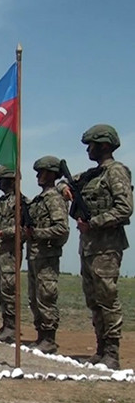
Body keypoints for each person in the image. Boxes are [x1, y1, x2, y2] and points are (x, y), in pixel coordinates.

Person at [62, 124, 132, 369]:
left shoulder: (116, 172)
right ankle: (101, 348)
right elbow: (65, 184)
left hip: (106, 246)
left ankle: (112, 352)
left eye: (91, 145)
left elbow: (125, 208)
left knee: (107, 298)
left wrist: (94, 223)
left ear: (103, 145)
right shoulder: (92, 174)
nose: (87, 150)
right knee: (93, 299)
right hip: (89, 247)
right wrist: (66, 190)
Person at [24, 156, 69, 354]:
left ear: (51, 174)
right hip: (34, 256)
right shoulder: (39, 199)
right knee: (35, 299)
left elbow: (62, 229)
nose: (37, 176)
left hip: (47, 256)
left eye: (41, 172)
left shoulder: (53, 198)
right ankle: (41, 336)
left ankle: (49, 339)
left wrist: (36, 234)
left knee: (46, 297)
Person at [0, 166, 26, 343]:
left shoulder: (21, 201)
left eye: (1, 179)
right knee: (0, 289)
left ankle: (12, 327)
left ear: (10, 181)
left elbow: (24, 228)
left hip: (11, 251)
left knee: (9, 289)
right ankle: (6, 323)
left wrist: (5, 232)